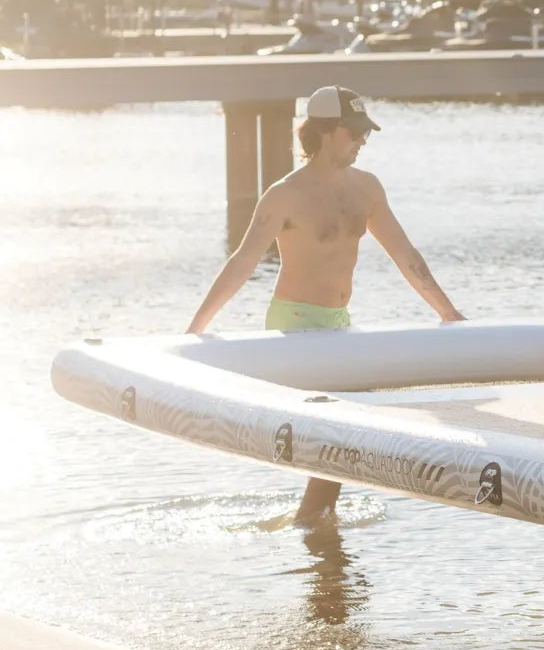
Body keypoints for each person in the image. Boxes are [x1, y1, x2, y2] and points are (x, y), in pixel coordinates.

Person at [186, 85, 463, 522]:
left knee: (347, 425)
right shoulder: (284, 195)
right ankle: (313, 520)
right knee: (342, 424)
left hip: (338, 322)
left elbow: (405, 254)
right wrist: (196, 328)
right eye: (353, 132)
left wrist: (448, 314)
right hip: (294, 324)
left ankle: (316, 525)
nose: (361, 141)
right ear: (325, 132)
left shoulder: (367, 189)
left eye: (365, 133)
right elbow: (243, 262)